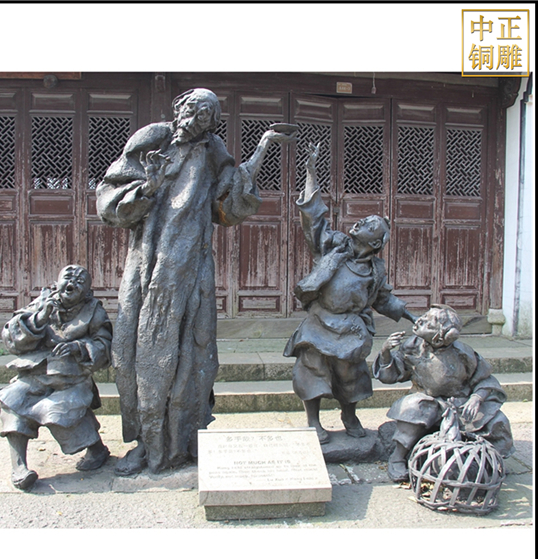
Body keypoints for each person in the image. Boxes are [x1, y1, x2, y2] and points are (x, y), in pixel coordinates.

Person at [96, 88, 296, 475]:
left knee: (193, 357)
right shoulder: (152, 139)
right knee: (138, 354)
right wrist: (148, 187)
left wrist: (263, 148)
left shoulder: (213, 151)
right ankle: (146, 444)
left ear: (212, 124)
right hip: (148, 268)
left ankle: (185, 440)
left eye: (205, 115)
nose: (194, 119)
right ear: (178, 108)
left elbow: (228, 203)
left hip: (192, 270)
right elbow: (109, 202)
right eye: (191, 110)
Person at [284, 143, 416, 445]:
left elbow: (383, 298)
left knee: (351, 374)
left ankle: (349, 415)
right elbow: (314, 219)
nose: (360, 222)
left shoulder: (375, 270)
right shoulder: (333, 246)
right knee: (311, 368)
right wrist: (311, 172)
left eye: (369, 225)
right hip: (319, 322)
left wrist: (410, 315)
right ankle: (313, 422)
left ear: (375, 243)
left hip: (352, 328)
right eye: (363, 220)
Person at [0, 265, 112, 490]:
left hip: (71, 378)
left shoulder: (94, 311)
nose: (72, 283)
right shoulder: (42, 302)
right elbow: (10, 336)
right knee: (13, 401)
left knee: (57, 410)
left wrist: (79, 347)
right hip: (35, 374)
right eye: (68, 277)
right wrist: (39, 319)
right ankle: (19, 467)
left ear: (88, 292)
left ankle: (97, 450)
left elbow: (105, 345)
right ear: (57, 283)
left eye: (80, 281)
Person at [373, 304, 515, 482]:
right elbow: (392, 375)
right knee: (410, 409)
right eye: (424, 316)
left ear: (440, 338)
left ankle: (493, 460)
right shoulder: (412, 347)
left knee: (498, 420)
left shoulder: (464, 353)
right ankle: (397, 458)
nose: (419, 320)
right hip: (427, 401)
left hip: (460, 404)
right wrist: (386, 352)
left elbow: (485, 379)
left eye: (428, 323)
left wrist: (476, 398)